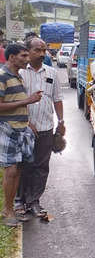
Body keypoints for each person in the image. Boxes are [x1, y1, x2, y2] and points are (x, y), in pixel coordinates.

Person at [16, 38, 64, 219]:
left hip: (46, 128)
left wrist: (61, 121)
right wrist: (27, 122)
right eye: (38, 50)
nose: (42, 54)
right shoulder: (19, 73)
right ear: (28, 51)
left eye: (44, 50)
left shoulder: (51, 72)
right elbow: (14, 101)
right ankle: (20, 200)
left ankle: (34, 200)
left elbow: (57, 99)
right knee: (23, 165)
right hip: (23, 128)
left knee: (42, 166)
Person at [0, 44, 42, 227]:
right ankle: (8, 210)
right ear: (11, 57)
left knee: (16, 171)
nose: (27, 59)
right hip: (8, 129)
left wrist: (28, 123)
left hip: (20, 129)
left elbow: (16, 102)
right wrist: (28, 100)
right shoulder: (2, 77)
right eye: (23, 55)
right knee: (10, 171)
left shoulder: (18, 76)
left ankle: (9, 208)